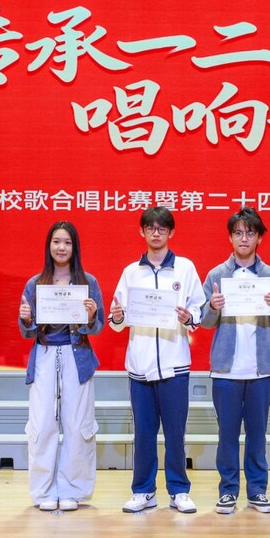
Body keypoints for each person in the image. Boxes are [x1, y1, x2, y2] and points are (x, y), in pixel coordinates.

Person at [109, 207, 206, 514]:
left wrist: (189, 317)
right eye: (150, 228)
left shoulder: (185, 269)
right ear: (142, 232)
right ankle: (143, 491)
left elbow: (199, 309)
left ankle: (179, 490)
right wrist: (118, 316)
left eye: (161, 228)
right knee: (144, 434)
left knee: (175, 433)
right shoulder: (131, 272)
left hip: (175, 364)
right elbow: (117, 318)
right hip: (139, 365)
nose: (155, 233)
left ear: (171, 232)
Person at [200, 207, 270, 515]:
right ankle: (228, 491)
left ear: (259, 238)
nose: (244, 238)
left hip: (261, 368)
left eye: (250, 233)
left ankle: (257, 491)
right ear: (230, 237)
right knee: (227, 434)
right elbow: (204, 322)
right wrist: (213, 307)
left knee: (257, 434)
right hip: (226, 370)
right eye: (238, 233)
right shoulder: (216, 275)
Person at [18, 221, 105, 512]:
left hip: (77, 356)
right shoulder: (35, 284)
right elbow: (27, 330)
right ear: (49, 246)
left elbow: (98, 326)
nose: (61, 247)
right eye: (56, 241)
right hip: (44, 356)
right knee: (43, 424)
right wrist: (26, 319)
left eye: (67, 242)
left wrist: (90, 316)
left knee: (77, 425)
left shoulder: (88, 282)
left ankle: (72, 490)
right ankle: (43, 491)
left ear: (74, 247)